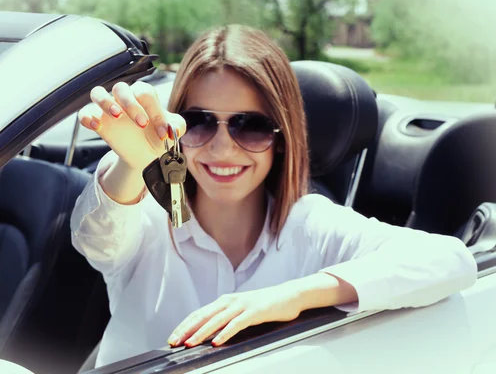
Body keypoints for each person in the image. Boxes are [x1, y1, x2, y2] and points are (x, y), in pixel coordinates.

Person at [70, 25, 477, 367]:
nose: (222, 148)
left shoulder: (310, 223)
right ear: (176, 127)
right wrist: (133, 163)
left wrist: (292, 297)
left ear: (282, 138)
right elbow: (96, 236)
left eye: (251, 126)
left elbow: (449, 259)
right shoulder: (153, 219)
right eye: (199, 123)